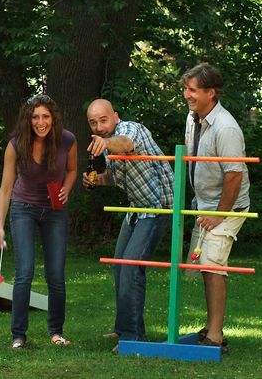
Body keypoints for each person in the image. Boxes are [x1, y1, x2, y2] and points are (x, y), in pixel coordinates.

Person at [82, 99, 174, 352]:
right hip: (136, 208)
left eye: (103, 120)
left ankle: (133, 338)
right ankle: (124, 328)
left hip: (158, 207)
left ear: (115, 116)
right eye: (93, 122)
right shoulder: (103, 145)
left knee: (131, 268)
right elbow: (118, 175)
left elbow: (126, 145)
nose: (99, 126)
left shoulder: (132, 130)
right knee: (118, 267)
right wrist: (98, 180)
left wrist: (105, 144)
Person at [0, 94, 78, 349]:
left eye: (45, 117)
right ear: (28, 120)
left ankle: (56, 331)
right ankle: (18, 335)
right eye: (35, 117)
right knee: (25, 272)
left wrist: (67, 188)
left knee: (56, 276)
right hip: (23, 209)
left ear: (53, 118)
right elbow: (6, 188)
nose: (41, 122)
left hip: (55, 211)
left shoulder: (67, 139)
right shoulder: (16, 145)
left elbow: (73, 170)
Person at [181, 63, 250, 353]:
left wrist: (218, 214)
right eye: (186, 89)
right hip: (205, 204)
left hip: (228, 206)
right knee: (202, 266)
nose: (187, 95)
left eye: (193, 90)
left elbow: (235, 175)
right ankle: (211, 326)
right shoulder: (193, 117)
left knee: (212, 264)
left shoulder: (226, 128)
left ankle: (216, 336)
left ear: (211, 92)